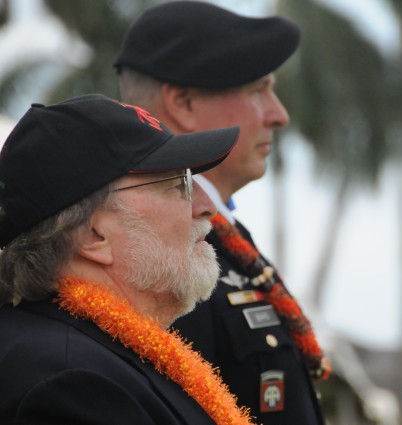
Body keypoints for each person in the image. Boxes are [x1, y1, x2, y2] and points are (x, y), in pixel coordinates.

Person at [114, 2, 330, 424]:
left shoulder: (215, 232)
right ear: (185, 103)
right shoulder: (152, 247)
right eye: (257, 90)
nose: (279, 114)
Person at [0, 93, 257, 425]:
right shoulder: (73, 383)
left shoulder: (90, 358)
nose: (207, 206)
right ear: (93, 236)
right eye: (178, 183)